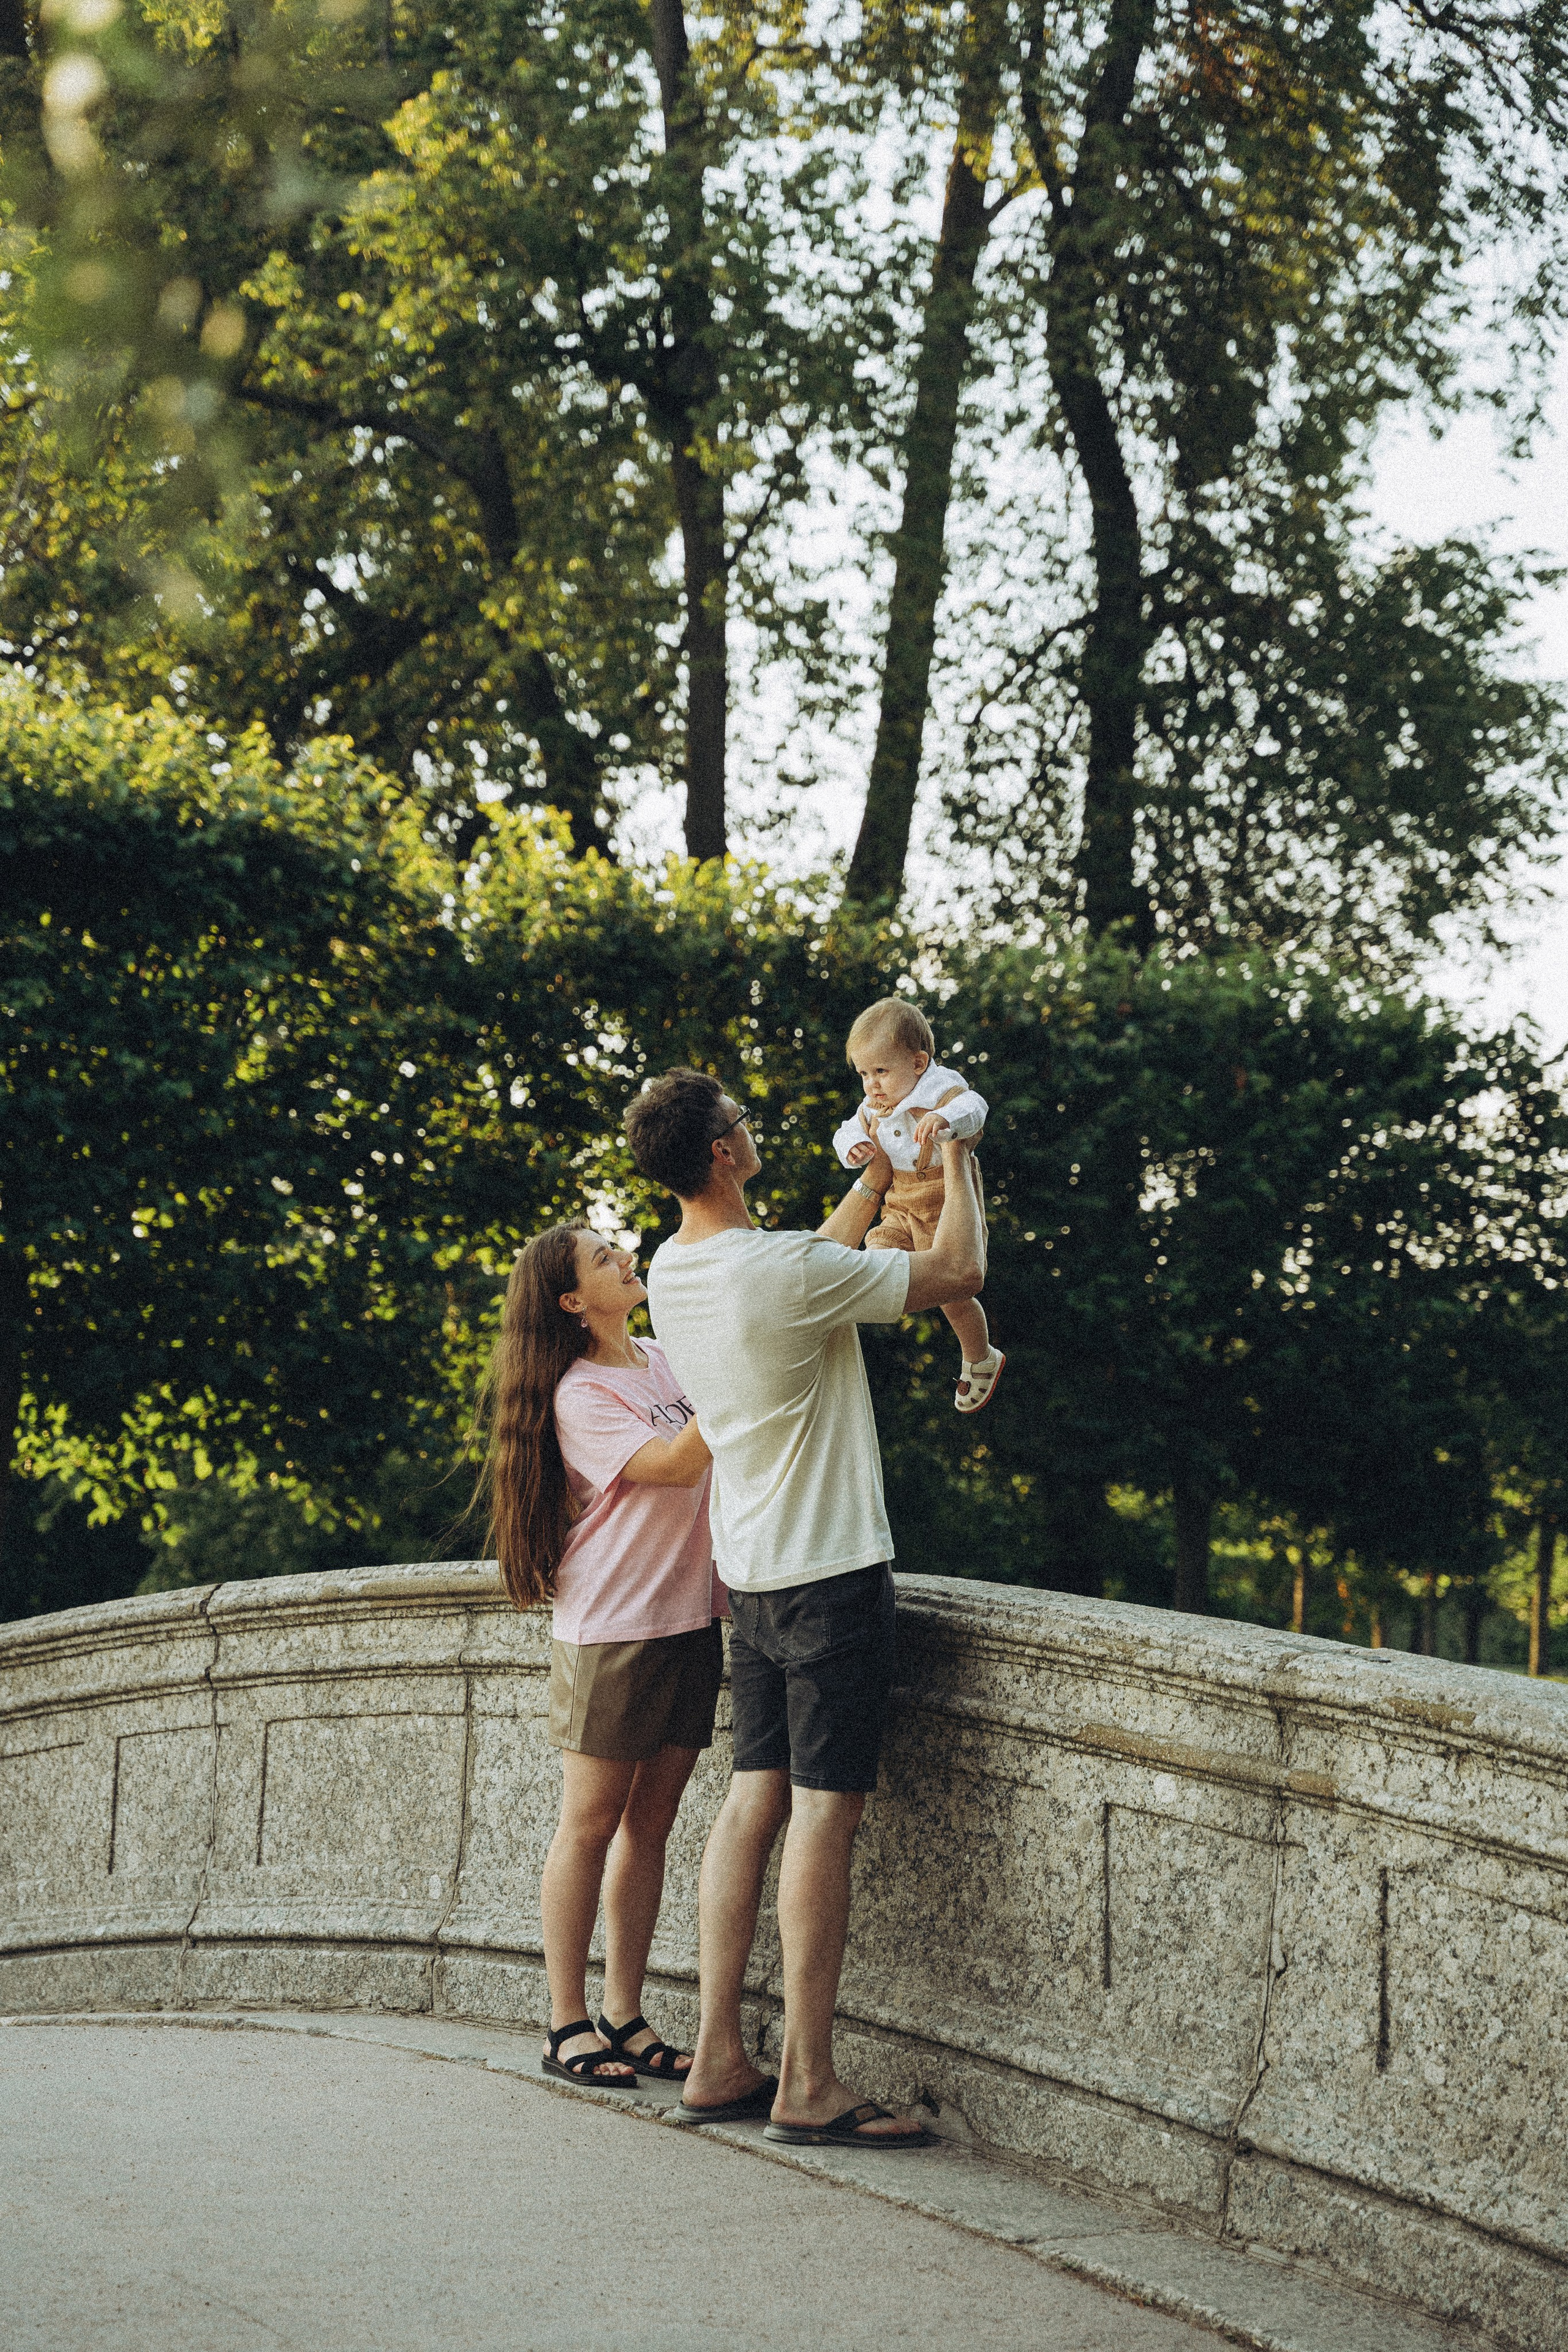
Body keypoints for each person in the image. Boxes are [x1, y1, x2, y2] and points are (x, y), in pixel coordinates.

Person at [627, 1068, 987, 2147]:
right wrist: (954, 1150)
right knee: (824, 1814)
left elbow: (813, 1264)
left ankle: (719, 2056)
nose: (751, 1129)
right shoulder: (781, 1270)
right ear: (728, 1153)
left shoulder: (673, 1268)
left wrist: (875, 1177)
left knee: (751, 1803)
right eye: (740, 1121)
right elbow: (959, 1265)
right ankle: (809, 2083)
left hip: (752, 1577)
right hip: (830, 1573)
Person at [473, 1220, 723, 2088]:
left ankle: (625, 2012)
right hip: (613, 1629)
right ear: (573, 1302)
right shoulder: (578, 1393)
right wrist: (754, 1374)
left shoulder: (660, 1358)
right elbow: (675, 1465)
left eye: (620, 1247)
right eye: (603, 1258)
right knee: (589, 1826)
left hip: (692, 1617)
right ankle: (565, 2022)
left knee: (650, 1826)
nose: (627, 1257)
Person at [832, 995, 1003, 1414]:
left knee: (951, 1293)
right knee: (879, 1254)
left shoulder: (939, 1087)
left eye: (881, 1071)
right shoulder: (873, 1105)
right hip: (900, 1200)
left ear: (918, 1062)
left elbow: (974, 1107)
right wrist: (852, 1146)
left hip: (946, 1196)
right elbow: (845, 1130)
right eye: (864, 1074)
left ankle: (980, 1354)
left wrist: (946, 1121)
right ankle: (893, 1286)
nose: (872, 1084)